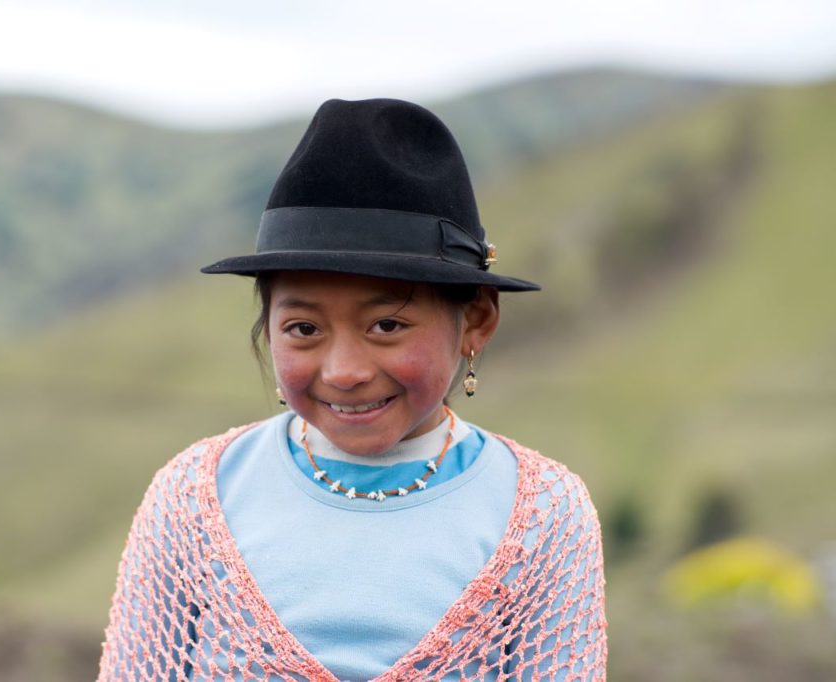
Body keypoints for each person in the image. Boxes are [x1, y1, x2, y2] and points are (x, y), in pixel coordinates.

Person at [98, 98, 607, 681]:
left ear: (477, 321)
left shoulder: (542, 514)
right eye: (304, 329)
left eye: (387, 325)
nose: (344, 369)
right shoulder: (193, 498)